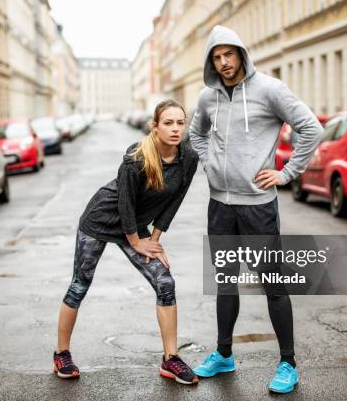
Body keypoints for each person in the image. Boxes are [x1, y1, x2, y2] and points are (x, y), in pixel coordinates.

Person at [189, 25, 323, 394]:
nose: (223, 63)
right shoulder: (206, 97)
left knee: (273, 285)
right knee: (225, 282)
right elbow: (196, 134)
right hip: (220, 205)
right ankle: (224, 353)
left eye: (228, 54)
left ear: (242, 53)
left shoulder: (270, 90)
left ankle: (288, 363)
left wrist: (287, 173)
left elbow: (311, 129)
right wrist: (210, 162)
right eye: (216, 57)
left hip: (257, 207)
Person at [54, 99, 200, 385]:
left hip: (136, 225)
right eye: (168, 123)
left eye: (180, 122)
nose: (175, 129)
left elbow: (174, 201)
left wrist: (155, 240)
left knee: (165, 282)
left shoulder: (189, 158)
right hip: (101, 219)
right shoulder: (137, 157)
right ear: (154, 127)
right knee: (80, 284)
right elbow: (125, 204)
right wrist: (137, 241)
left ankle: (170, 359)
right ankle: (61, 353)